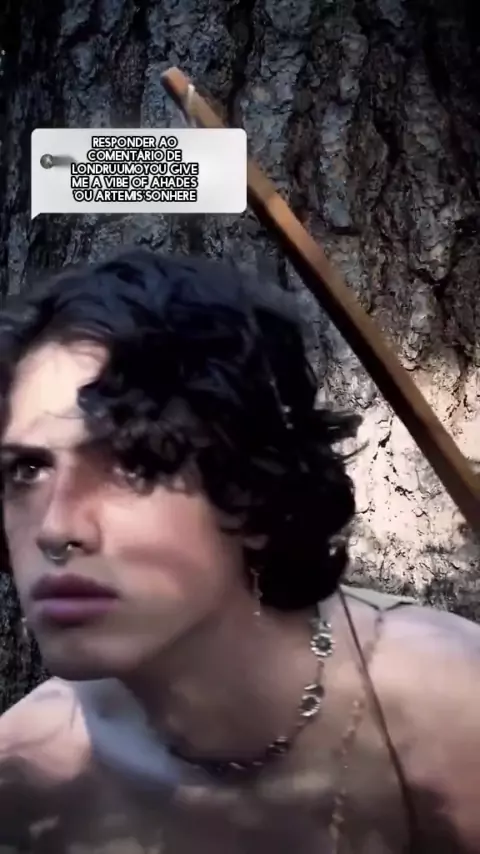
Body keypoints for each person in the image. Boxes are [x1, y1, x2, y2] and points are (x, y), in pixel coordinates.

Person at [0, 248, 478, 854]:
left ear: (252, 493)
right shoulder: (27, 774)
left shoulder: (454, 706)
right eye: (27, 469)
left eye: (133, 462)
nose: (55, 528)